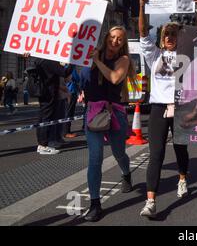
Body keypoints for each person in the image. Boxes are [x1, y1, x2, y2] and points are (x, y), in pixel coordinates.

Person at [139, 0, 197, 218]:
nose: (169, 37)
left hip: (180, 107)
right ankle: (150, 202)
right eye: (166, 34)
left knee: (180, 148)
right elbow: (142, 32)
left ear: (178, 38)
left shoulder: (186, 55)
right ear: (161, 37)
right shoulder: (154, 55)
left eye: (173, 34)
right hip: (158, 108)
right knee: (156, 154)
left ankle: (182, 178)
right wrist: (142, 7)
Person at [82, 25, 138, 222]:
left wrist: (97, 61)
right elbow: (80, 77)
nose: (115, 41)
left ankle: (126, 173)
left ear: (123, 44)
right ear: (106, 37)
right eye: (112, 37)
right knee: (95, 158)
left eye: (120, 39)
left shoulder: (123, 59)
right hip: (93, 112)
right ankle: (95, 203)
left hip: (115, 113)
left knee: (118, 152)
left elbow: (114, 78)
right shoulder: (90, 54)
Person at [29, 57, 74, 155]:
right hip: (49, 93)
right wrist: (73, 63)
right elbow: (64, 72)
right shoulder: (50, 61)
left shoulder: (40, 60)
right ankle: (43, 145)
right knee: (46, 119)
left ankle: (42, 144)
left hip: (43, 92)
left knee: (42, 118)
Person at [64, 68, 80, 138]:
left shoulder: (63, 66)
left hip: (66, 91)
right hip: (70, 91)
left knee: (66, 111)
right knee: (69, 112)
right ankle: (66, 131)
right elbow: (77, 78)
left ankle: (65, 131)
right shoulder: (70, 67)